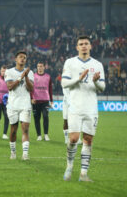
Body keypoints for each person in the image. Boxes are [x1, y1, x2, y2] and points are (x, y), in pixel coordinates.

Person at [62, 36, 105, 182]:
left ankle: (83, 174)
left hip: (91, 108)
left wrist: (96, 82)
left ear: (91, 46)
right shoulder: (70, 62)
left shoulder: (98, 64)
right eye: (81, 44)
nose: (84, 46)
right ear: (77, 47)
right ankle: (69, 166)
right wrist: (78, 79)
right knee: (73, 139)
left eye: (86, 43)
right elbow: (64, 83)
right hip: (74, 106)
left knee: (88, 140)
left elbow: (102, 87)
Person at [5, 51, 34, 160]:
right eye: (20, 57)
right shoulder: (9, 72)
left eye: (24, 57)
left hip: (25, 104)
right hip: (13, 105)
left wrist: (26, 77)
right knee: (13, 130)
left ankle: (25, 154)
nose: (22, 59)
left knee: (25, 129)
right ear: (16, 59)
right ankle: (13, 152)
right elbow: (10, 87)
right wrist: (20, 77)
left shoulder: (30, 73)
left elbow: (31, 89)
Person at [31, 62, 53, 141]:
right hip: (35, 101)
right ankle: (39, 135)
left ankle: (46, 134)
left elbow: (50, 89)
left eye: (41, 66)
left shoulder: (48, 77)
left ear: (44, 67)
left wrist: (51, 100)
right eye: (38, 66)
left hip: (45, 101)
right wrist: (31, 98)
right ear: (37, 67)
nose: (39, 68)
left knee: (45, 116)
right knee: (37, 118)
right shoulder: (33, 76)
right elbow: (30, 88)